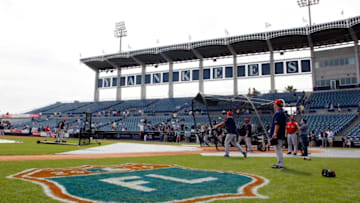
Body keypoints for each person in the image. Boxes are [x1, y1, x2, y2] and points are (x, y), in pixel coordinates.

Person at [269, 99, 287, 169]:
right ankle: (280, 162)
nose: (274, 105)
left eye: (274, 104)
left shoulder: (278, 113)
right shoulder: (281, 112)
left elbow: (277, 124)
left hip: (278, 134)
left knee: (278, 149)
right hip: (280, 134)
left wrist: (275, 134)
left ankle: (280, 163)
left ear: (276, 105)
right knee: (278, 148)